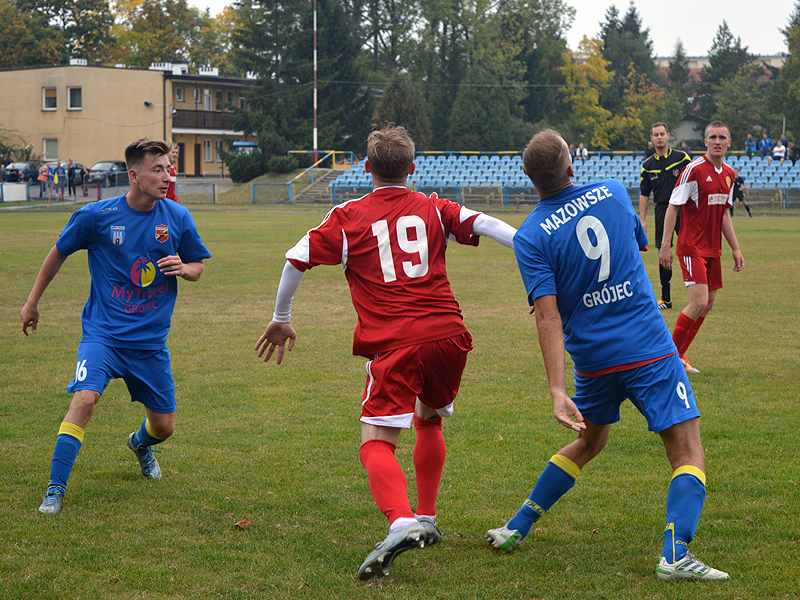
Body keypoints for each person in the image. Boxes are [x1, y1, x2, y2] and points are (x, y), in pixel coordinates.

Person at [255, 123, 517, 580]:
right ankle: (428, 516)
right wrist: (538, 253)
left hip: (396, 341)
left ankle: (400, 520)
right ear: (413, 168)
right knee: (429, 416)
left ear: (366, 167)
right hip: (449, 336)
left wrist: (282, 316)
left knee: (376, 441)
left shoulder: (348, 215)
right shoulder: (433, 207)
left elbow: (296, 257)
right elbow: (489, 225)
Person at [486, 129, 729, 582]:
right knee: (687, 450)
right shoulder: (614, 192)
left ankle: (516, 526)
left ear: (528, 178)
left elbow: (548, 317)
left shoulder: (531, 236)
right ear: (572, 167)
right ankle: (675, 555)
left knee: (590, 441)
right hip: (649, 350)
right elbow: (635, 245)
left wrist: (558, 389)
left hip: (594, 362)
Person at [21, 138, 211, 516]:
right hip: (103, 335)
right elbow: (58, 253)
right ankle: (54, 492)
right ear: (134, 175)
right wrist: (32, 302)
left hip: (150, 342)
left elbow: (198, 267)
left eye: (168, 168)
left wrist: (184, 268)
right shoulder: (96, 216)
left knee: (165, 427)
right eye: (158, 169)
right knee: (85, 400)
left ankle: (140, 445)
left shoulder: (177, 216)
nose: (166, 175)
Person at [659, 121, 744, 374]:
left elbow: (724, 214)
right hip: (691, 247)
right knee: (698, 302)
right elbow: (673, 206)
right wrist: (666, 245)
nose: (717, 141)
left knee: (708, 304)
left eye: (722, 137)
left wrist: (735, 249)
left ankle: (679, 356)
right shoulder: (693, 170)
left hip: (712, 250)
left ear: (729, 142)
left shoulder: (729, 173)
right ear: (705, 141)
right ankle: (668, 359)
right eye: (713, 137)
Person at [639, 122, 692, 310]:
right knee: (664, 254)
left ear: (668, 136)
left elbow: (695, 183)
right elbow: (644, 194)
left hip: (684, 210)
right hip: (662, 211)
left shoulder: (682, 158)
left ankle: (702, 296)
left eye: (662, 133)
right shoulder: (647, 166)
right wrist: (643, 220)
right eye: (656, 134)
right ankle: (666, 299)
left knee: (693, 251)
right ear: (651, 139)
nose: (659, 137)